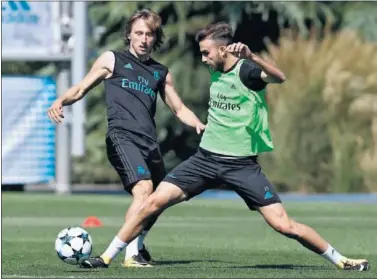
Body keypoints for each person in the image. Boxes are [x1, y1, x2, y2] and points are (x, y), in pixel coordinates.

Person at [80, 22, 369, 271]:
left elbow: (279, 78)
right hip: (204, 160)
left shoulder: (247, 73)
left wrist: (252, 56)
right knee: (152, 201)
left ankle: (342, 260)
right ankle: (106, 257)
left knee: (284, 225)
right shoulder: (217, 70)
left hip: (241, 166)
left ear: (223, 50)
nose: (203, 59)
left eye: (206, 53)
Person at [47, 9, 205, 268]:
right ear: (129, 35)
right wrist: (61, 100)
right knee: (143, 189)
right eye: (139, 33)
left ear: (156, 38)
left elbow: (179, 109)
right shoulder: (113, 60)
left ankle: (138, 245)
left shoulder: (161, 73)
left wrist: (198, 123)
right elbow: (81, 87)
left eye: (149, 34)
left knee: (158, 199)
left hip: (149, 143)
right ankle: (131, 255)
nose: (144, 39)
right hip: (122, 137)